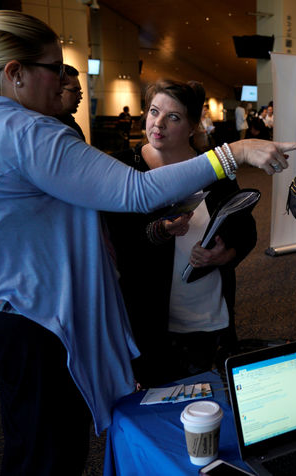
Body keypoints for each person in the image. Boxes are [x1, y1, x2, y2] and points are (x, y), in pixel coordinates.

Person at [0, 11, 296, 475]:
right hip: (28, 316)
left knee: (27, 437)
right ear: (16, 73)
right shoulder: (27, 131)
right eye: (55, 70)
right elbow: (136, 193)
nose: (63, 82)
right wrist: (236, 152)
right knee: (50, 447)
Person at [104, 80, 256, 386]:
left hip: (205, 310)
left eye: (172, 117)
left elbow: (243, 226)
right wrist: (160, 230)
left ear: (191, 127)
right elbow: (116, 239)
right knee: (154, 401)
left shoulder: (211, 168)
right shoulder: (124, 167)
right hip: (147, 313)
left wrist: (225, 253)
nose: (157, 124)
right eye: (153, 112)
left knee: (204, 398)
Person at [55, 64, 84, 139]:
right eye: (75, 90)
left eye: (80, 92)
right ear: (59, 90)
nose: (80, 97)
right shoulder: (47, 126)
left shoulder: (71, 124)